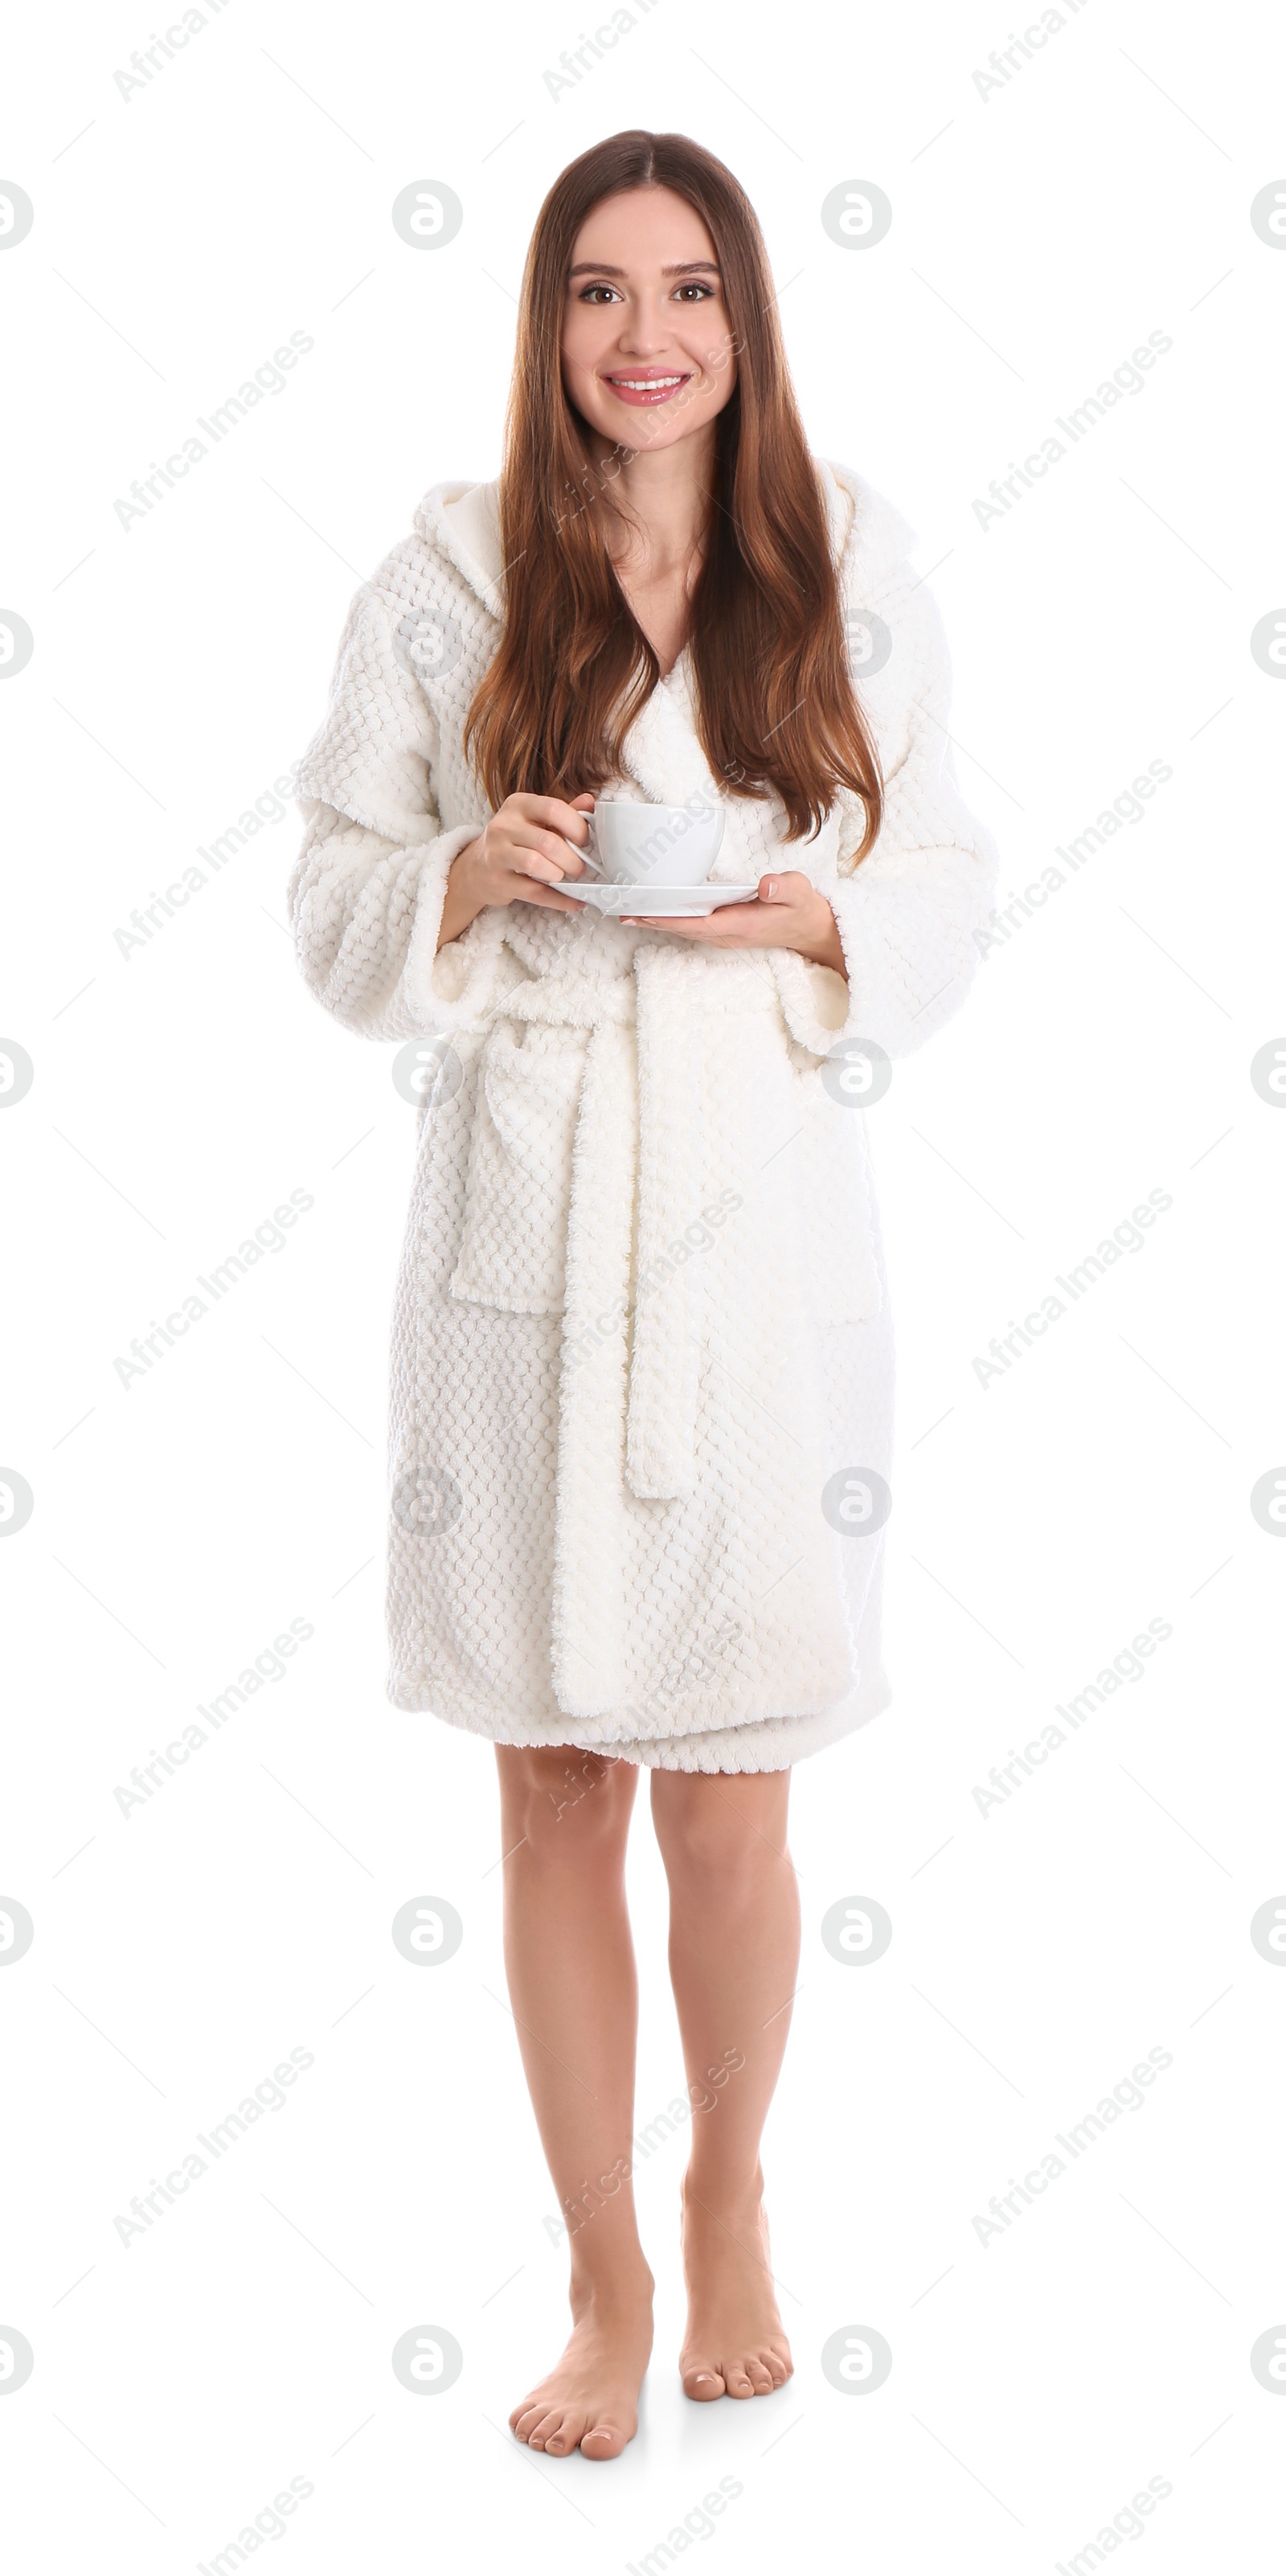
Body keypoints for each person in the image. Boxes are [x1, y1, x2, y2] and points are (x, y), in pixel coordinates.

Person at [289, 128, 997, 2461]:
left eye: (688, 289)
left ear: (747, 320)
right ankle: (597, 2269)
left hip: (754, 1236)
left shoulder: (839, 558)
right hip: (524, 1226)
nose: (646, 334)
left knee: (740, 1790)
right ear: (546, 322)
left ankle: (732, 2200)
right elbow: (330, 895)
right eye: (599, 290)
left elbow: (942, 865)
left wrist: (810, 922)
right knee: (550, 1782)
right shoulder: (446, 581)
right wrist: (465, 876)